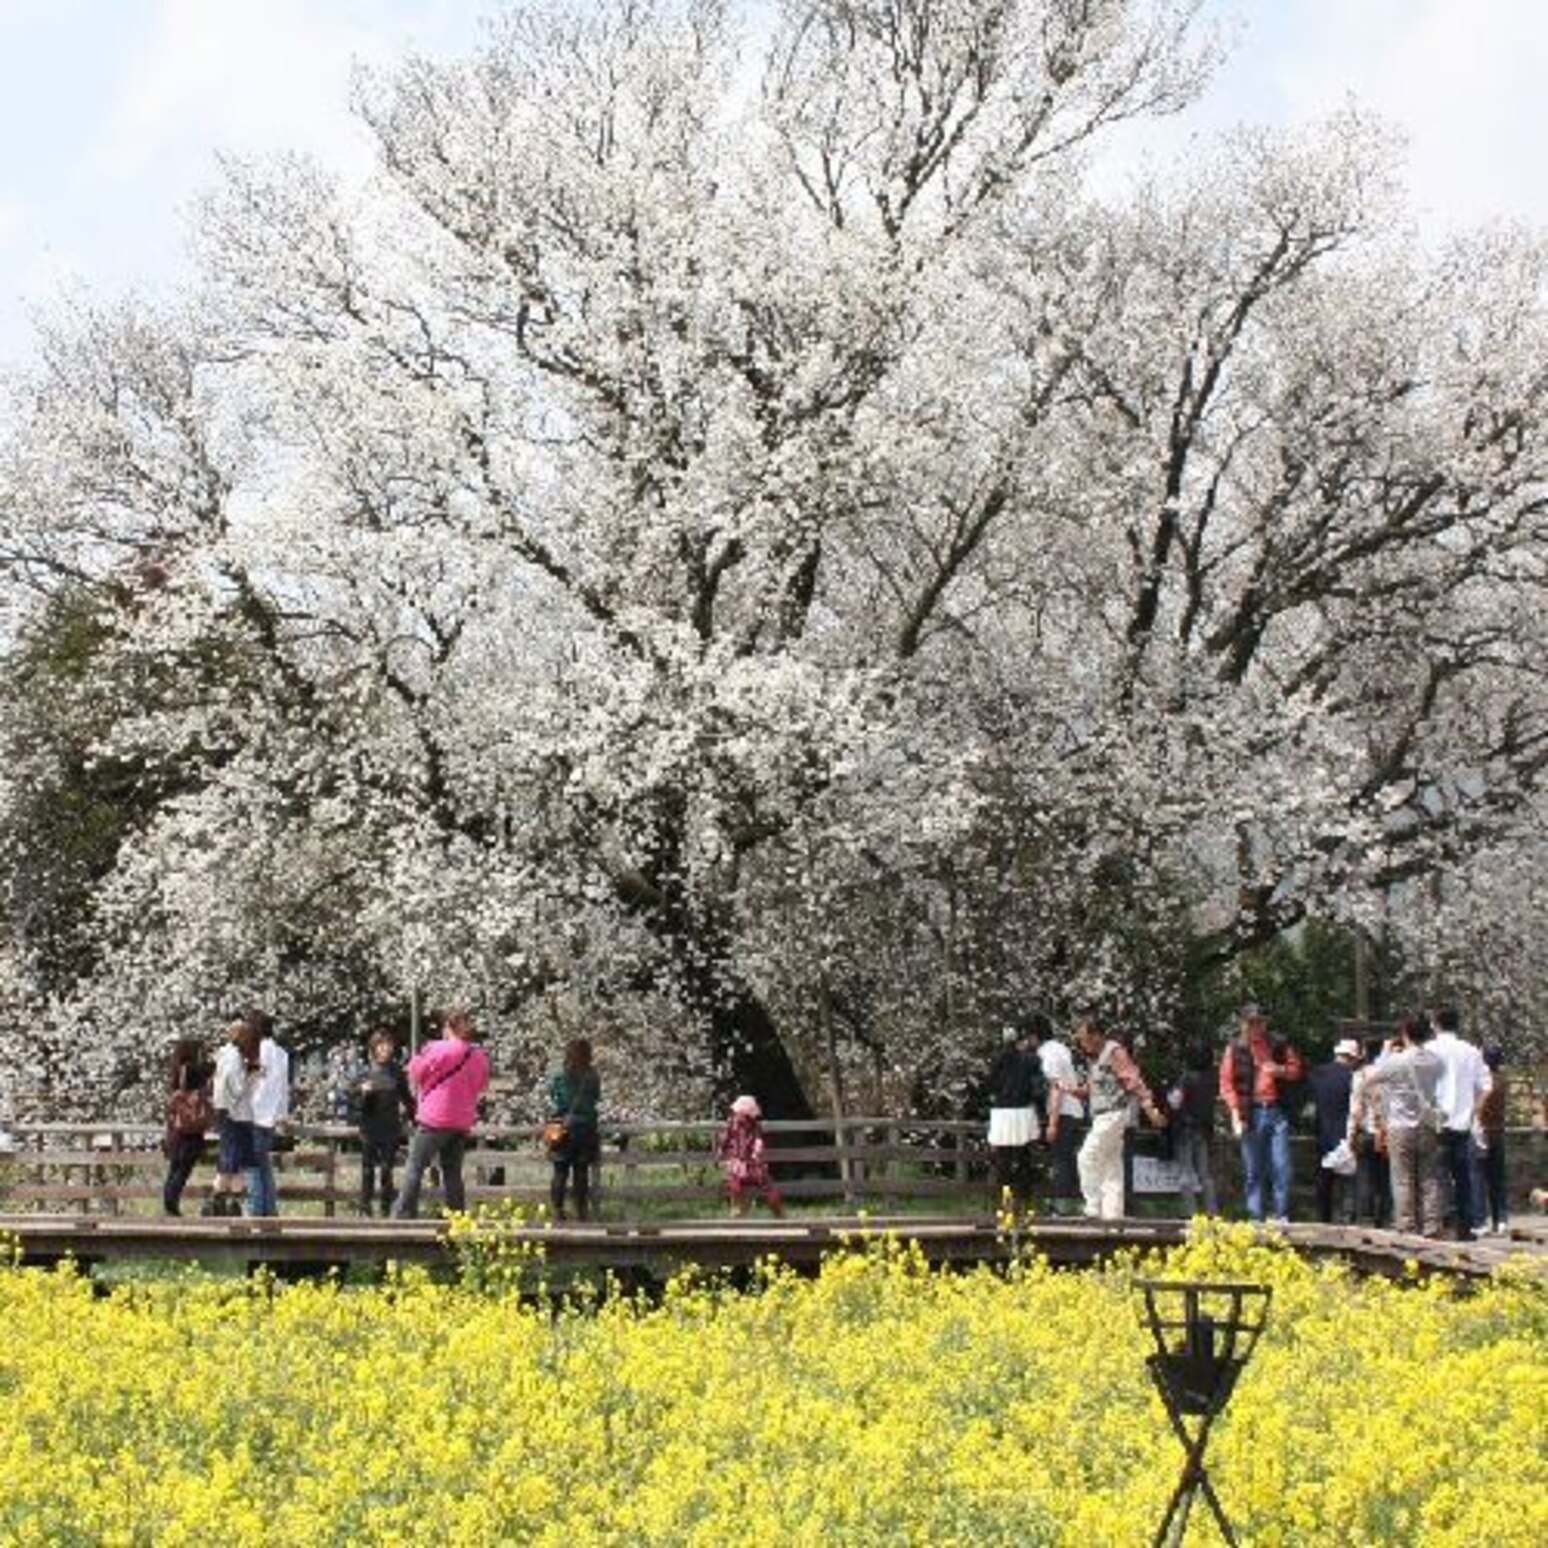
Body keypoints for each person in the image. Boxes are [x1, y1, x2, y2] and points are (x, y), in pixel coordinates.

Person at [391, 1010, 490, 1219]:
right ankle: (458, 1218)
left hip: (435, 1118)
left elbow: (414, 1072)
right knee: (452, 1172)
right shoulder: (479, 1055)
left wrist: (420, 1057)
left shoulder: (438, 1048)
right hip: (461, 1120)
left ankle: (402, 1213)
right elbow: (482, 1084)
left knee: (415, 1166)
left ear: (449, 1028)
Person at [1069, 1017, 1165, 1220]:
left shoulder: (1114, 1052)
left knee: (1086, 1157)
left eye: (1085, 1039)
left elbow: (1133, 1080)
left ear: (1096, 1036)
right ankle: (1113, 1215)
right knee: (1111, 1166)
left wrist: (1149, 1106)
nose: (1082, 1044)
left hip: (1113, 1113)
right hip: (1104, 1115)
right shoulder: (1096, 1058)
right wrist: (1076, 1091)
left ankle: (1093, 1207)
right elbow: (1094, 1087)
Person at [1218, 1003, 1304, 1224]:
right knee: (1253, 1170)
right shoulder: (1234, 1048)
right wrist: (1235, 1112)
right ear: (1244, 1024)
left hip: (1277, 1111)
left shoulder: (1278, 1043)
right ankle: (1255, 1219)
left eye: (1260, 1021)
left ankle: (1281, 1216)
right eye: (1252, 1022)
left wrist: (1280, 1070)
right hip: (1250, 1112)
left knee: (1282, 1167)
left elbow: (1296, 1070)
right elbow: (1226, 1084)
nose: (1257, 1026)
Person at [1360, 1015, 1443, 1236]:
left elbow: (1368, 1081)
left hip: (1400, 1124)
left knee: (1402, 1178)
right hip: (1426, 1124)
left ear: (1404, 1033)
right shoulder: (1435, 1060)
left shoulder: (1396, 1061)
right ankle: (1432, 1224)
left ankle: (1406, 1226)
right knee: (1429, 1177)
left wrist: (1386, 1053)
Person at [1429, 1005, 1491, 1241]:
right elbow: (1486, 1086)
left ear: (1435, 1024)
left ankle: (1442, 1222)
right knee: (1463, 1175)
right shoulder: (1471, 1051)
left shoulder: (1429, 1049)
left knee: (1436, 1175)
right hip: (1463, 1123)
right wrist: (1474, 1110)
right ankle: (1465, 1225)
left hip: (1435, 1121)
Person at [985, 1015, 1046, 1212]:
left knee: (1002, 1160)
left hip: (1002, 1113)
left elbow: (990, 1086)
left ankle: (1004, 1204)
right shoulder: (1033, 1061)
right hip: (1023, 1113)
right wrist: (1042, 1112)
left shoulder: (996, 1060)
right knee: (1023, 1158)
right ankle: (1023, 1201)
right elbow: (1037, 1090)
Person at [353, 1030, 415, 1217]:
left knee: (387, 1171)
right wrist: (361, 1092)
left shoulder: (397, 1072)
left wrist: (417, 1118)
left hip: (390, 1128)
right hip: (369, 1127)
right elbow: (352, 1100)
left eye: (388, 1044)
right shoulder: (365, 1072)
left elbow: (407, 1099)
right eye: (381, 1044)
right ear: (373, 1048)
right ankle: (365, 1207)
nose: (385, 1048)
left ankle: (385, 1209)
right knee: (367, 1170)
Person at [205, 1019, 261, 1216]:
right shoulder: (234, 1057)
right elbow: (237, 1088)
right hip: (234, 1115)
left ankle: (225, 1205)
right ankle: (225, 1205)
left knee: (233, 1164)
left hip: (227, 1112)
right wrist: (253, 1075)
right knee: (233, 1161)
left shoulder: (224, 1054)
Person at [546, 1037, 601, 1221]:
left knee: (559, 1171)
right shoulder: (592, 1076)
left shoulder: (559, 1075)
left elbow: (552, 1095)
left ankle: (557, 1210)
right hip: (585, 1127)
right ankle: (581, 1211)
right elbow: (596, 1098)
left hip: (559, 1125)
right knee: (581, 1171)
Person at [1309, 1039, 1361, 1224]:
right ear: (1353, 1058)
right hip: (1347, 1134)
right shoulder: (1354, 1076)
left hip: (1323, 1132)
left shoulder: (1317, 1073)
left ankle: (1323, 1220)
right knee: (1349, 1182)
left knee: (1324, 1182)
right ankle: (1348, 1221)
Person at [162, 1038, 214, 1216]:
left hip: (176, 1128)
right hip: (191, 1129)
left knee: (175, 1167)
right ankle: (171, 1203)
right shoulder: (193, 1069)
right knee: (183, 1169)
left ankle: (169, 1203)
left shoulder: (176, 1069)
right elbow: (210, 1070)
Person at [1167, 1038, 1219, 1218]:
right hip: (1204, 1131)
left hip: (1185, 1130)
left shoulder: (1186, 1076)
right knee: (1205, 1174)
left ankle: (1192, 1214)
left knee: (1185, 1173)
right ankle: (1212, 1213)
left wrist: (1167, 1092)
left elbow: (1175, 1102)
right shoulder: (1213, 1077)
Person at [246, 1011, 290, 1218]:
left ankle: (255, 1211)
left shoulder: (254, 1053)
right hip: (270, 1117)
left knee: (253, 1167)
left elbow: (248, 1085)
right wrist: (282, 1116)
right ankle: (270, 1210)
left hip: (252, 1115)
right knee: (264, 1166)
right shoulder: (281, 1054)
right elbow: (283, 1089)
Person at [1038, 1022, 1085, 1216]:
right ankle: (1066, 1204)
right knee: (1067, 1159)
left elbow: (1056, 1088)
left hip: (1063, 1112)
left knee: (1060, 1161)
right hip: (1075, 1110)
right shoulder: (1062, 1049)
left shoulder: (1046, 1053)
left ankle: (1061, 1208)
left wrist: (1052, 1122)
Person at [1347, 1036, 1392, 1227]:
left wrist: (1350, 1133)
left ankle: (1363, 1218)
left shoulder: (1360, 1075)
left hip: (1366, 1132)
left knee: (1364, 1177)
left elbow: (1355, 1109)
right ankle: (1382, 1217)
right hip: (1386, 1134)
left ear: (1364, 1053)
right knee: (1384, 1179)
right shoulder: (1389, 1075)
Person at [715, 1094, 784, 1217]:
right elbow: (724, 1139)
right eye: (739, 1113)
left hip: (752, 1164)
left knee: (767, 1186)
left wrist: (757, 1151)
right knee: (735, 1182)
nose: (740, 1117)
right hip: (738, 1162)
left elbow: (758, 1140)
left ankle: (777, 1212)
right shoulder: (731, 1123)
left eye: (744, 1114)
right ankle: (738, 1211)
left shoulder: (755, 1126)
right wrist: (721, 1150)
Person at [1475, 1045, 1509, 1236]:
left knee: (1479, 1177)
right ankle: (1501, 1219)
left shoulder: (1484, 1082)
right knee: (1498, 1179)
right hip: (1499, 1132)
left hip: (1483, 1132)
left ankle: (1482, 1219)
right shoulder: (1502, 1080)